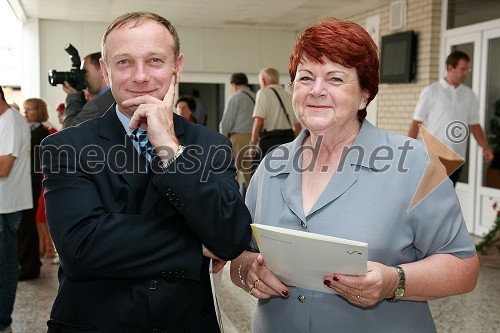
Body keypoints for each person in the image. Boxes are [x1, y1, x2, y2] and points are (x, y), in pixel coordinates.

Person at [229, 18, 479, 333]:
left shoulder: (415, 164)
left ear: (364, 95)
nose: (316, 91)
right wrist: (246, 272)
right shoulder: (271, 166)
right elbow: (243, 254)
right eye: (305, 77)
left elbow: (464, 268)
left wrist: (393, 282)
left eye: (335, 78)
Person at [40, 11, 252, 332]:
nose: (141, 76)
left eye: (155, 60)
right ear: (107, 71)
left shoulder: (211, 143)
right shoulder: (66, 146)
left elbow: (230, 237)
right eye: (124, 62)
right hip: (96, 322)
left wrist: (169, 147)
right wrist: (195, 244)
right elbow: (81, 249)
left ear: (177, 67)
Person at [408, 50, 494, 185]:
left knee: (447, 202)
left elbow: (474, 124)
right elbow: (416, 123)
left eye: (468, 69)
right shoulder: (431, 91)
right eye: (463, 69)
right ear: (450, 68)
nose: (466, 73)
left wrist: (485, 147)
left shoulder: (469, 95)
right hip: (434, 157)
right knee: (430, 200)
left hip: (457, 159)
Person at [0, 86, 32, 333]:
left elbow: (4, 168)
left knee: (5, 266)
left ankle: (3, 322)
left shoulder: (10, 120)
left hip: (6, 204)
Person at [17, 98, 54, 280]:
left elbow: (38, 164)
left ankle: (29, 266)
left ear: (38, 110)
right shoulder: (28, 130)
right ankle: (29, 263)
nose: (26, 113)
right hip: (27, 181)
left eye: (30, 109)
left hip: (34, 183)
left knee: (28, 224)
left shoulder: (42, 133)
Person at [249, 67, 301, 158]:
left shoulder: (263, 93)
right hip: (287, 141)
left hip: (268, 141)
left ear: (263, 80)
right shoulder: (289, 97)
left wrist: (252, 144)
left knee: (266, 170)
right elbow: (298, 126)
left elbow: (259, 121)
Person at [219, 73, 256, 188]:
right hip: (254, 139)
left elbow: (226, 123)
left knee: (233, 173)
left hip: (238, 139)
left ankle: (235, 201)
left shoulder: (236, 98)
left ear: (234, 85)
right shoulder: (256, 97)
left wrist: (221, 141)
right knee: (250, 173)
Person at [62, 51, 114, 128]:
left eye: (85, 71)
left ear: (102, 70)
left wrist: (72, 96)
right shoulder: (116, 96)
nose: (83, 77)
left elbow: (68, 132)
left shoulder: (96, 105)